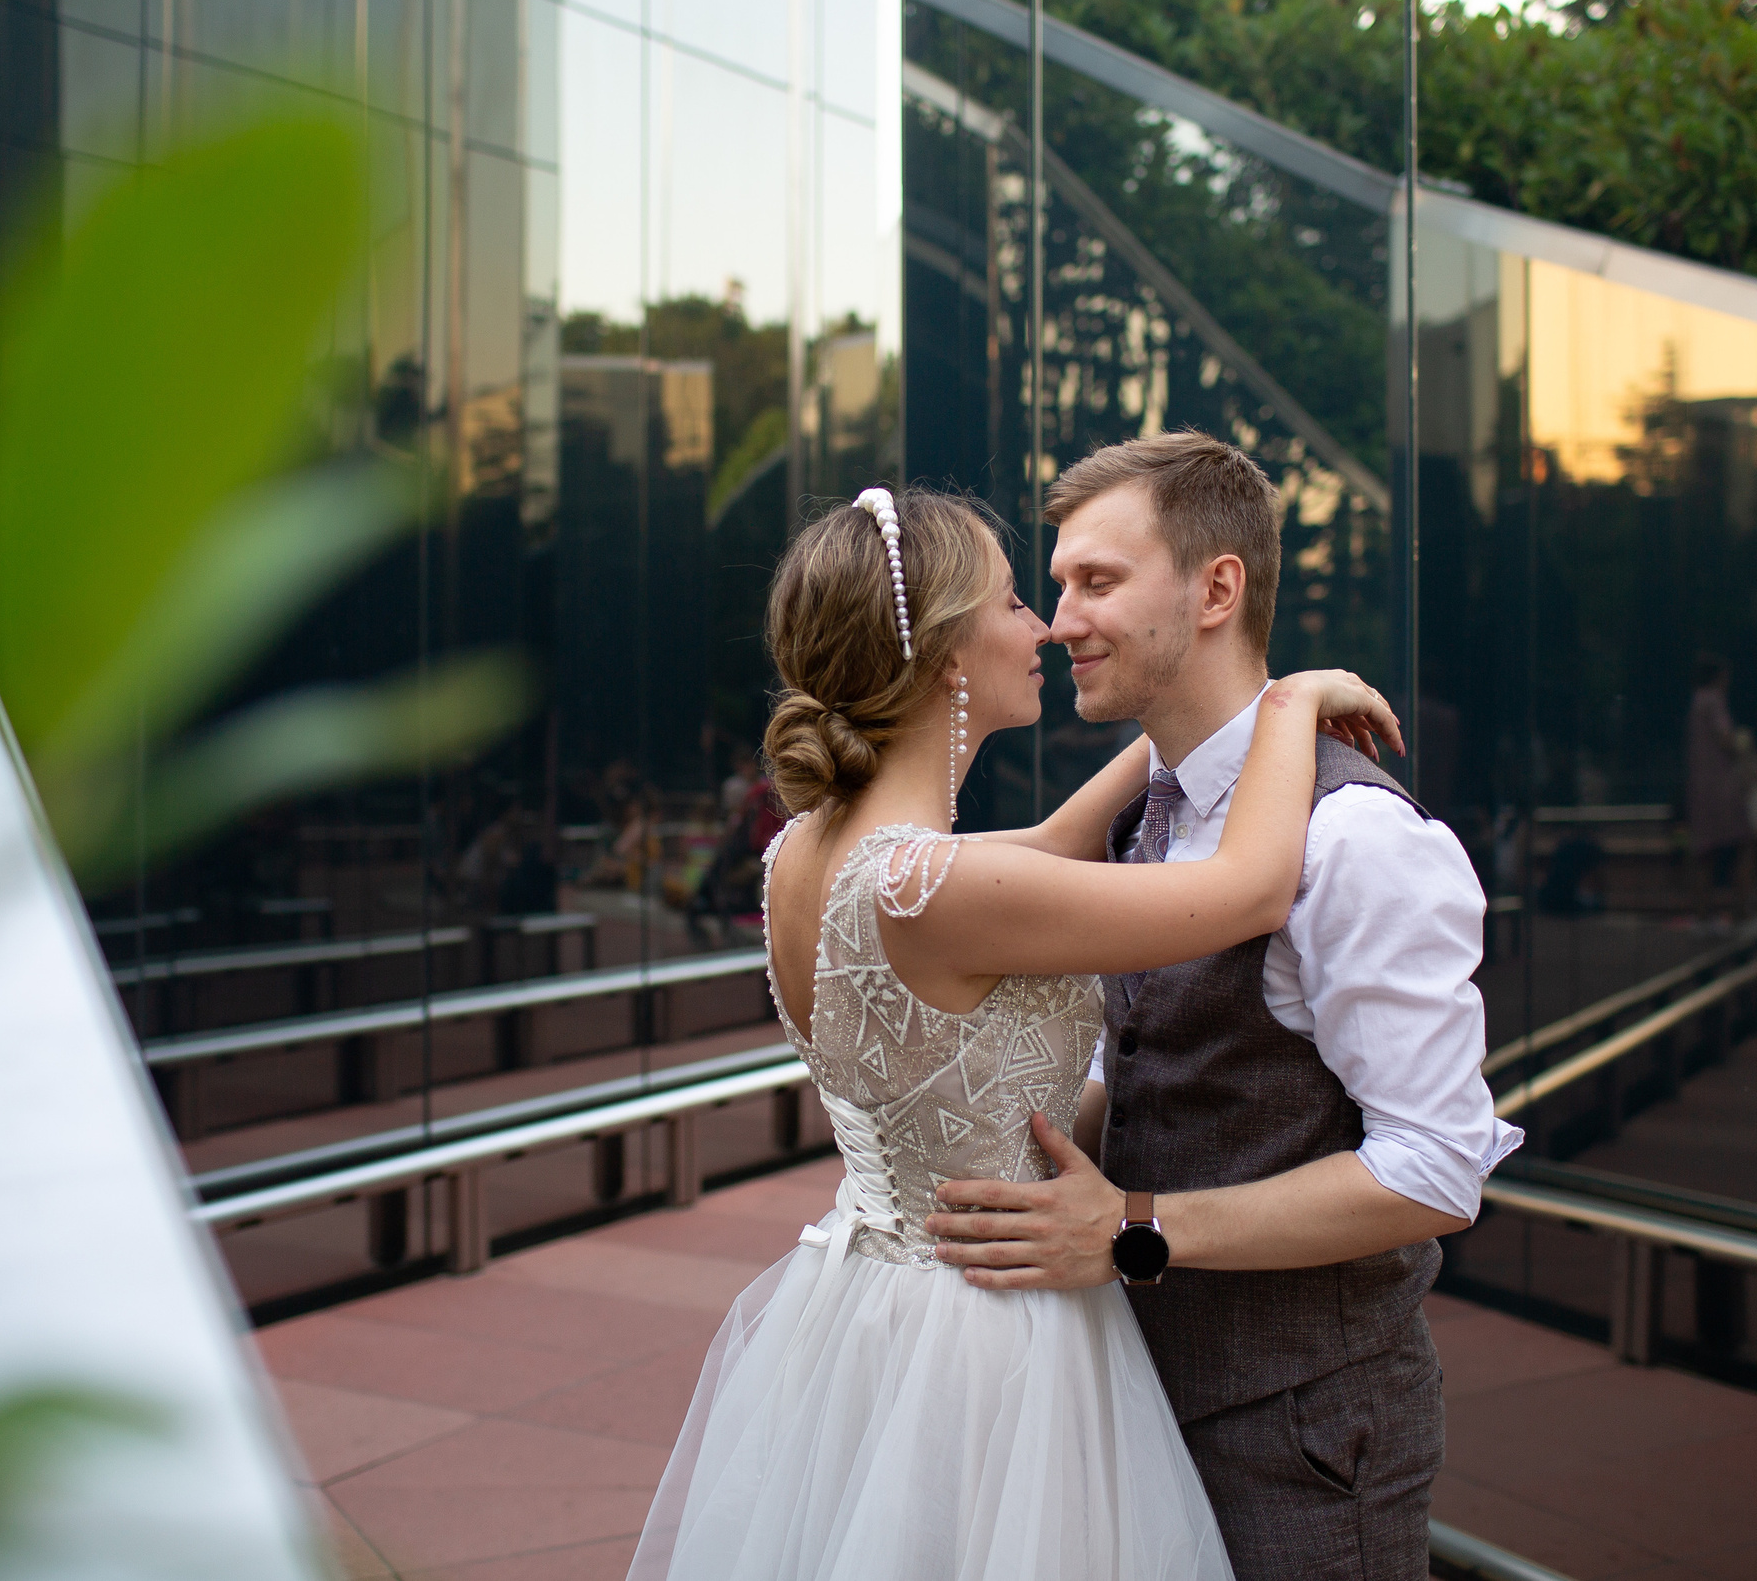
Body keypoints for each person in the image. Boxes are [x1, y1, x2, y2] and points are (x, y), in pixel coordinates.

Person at [627, 484, 1402, 1581]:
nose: (1040, 626)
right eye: (1008, 601)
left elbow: (1049, 840)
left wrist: (1216, 703)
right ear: (948, 651)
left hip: (870, 1310)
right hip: (986, 1335)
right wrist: (1287, 711)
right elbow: (1248, 887)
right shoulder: (931, 885)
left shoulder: (807, 851)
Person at [921, 434, 1521, 1581]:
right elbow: (1163, 1068)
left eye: (1094, 581)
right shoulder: (1144, 807)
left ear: (1216, 588)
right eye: (1054, 587)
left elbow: (1436, 1170)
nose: (1057, 620)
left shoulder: (1357, 839)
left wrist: (1132, 1227)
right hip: (1129, 1407)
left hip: (1298, 1437)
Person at [1684, 654, 1750, 922]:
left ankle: (1702, 917)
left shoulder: (1696, 700)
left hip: (1699, 787)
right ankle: (1741, 915)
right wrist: (1742, 746)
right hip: (1720, 786)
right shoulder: (1714, 699)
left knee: (1704, 854)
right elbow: (1726, 739)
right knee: (1744, 846)